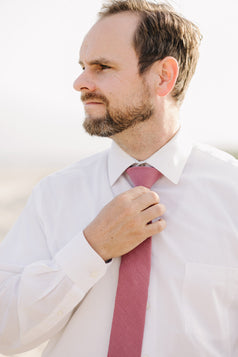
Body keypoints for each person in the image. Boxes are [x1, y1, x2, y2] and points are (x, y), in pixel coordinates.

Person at [0, 0, 238, 356]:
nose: (80, 82)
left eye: (102, 67)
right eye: (83, 66)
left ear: (163, 76)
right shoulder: (54, 194)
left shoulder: (232, 193)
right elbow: (5, 331)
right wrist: (90, 249)